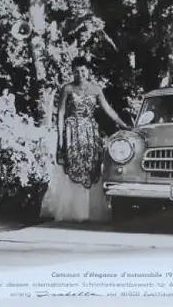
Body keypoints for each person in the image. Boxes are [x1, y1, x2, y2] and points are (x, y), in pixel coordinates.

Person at [41, 56, 130, 222]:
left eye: (83, 70)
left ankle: (89, 210)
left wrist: (123, 124)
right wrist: (60, 137)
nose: (80, 74)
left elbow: (108, 109)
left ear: (88, 71)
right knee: (73, 166)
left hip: (90, 132)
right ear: (72, 72)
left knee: (91, 167)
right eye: (76, 71)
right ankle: (73, 210)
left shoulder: (96, 89)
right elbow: (60, 113)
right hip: (72, 131)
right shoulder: (67, 89)